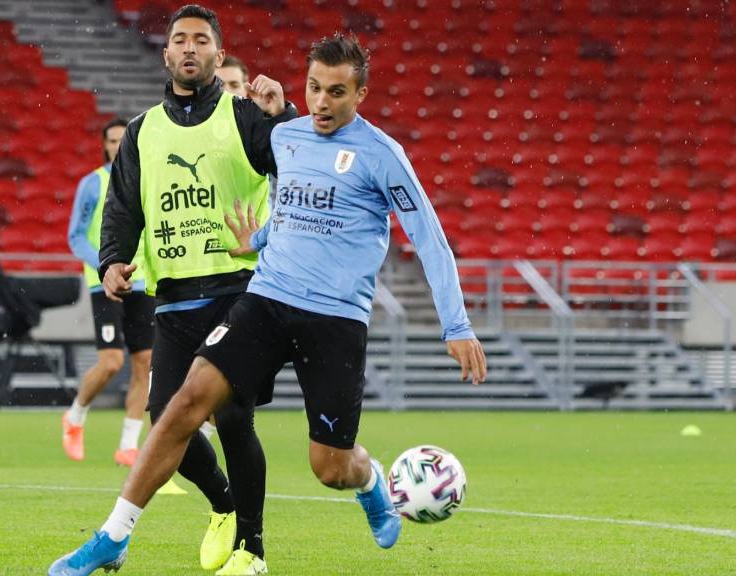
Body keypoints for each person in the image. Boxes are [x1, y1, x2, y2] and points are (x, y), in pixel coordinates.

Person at [49, 32, 486, 576]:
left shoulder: (382, 156)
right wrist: (256, 240)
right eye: (314, 88)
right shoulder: (288, 136)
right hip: (267, 299)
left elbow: (430, 240)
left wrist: (456, 325)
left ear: (361, 94)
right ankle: (114, 536)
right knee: (185, 403)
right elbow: (294, 209)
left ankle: (369, 480)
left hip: (335, 318)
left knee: (329, 466)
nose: (322, 102)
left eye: (336, 92)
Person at [49, 5, 297, 575]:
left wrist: (284, 115)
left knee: (232, 417)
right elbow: (122, 206)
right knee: (166, 419)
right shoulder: (142, 132)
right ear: (165, 54)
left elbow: (299, 164)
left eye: (201, 40)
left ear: (218, 53)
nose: (190, 47)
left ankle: (252, 550)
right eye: (180, 39)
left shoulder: (245, 116)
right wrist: (113, 260)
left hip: (238, 292)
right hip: (174, 299)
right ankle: (225, 505)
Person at [64, 117, 152, 467]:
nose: (118, 146)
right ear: (104, 145)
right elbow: (76, 236)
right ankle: (75, 415)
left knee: (144, 363)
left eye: (123, 140)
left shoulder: (148, 180)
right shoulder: (93, 184)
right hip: (105, 283)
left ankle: (128, 445)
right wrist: (105, 266)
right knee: (112, 362)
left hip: (143, 281)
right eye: (112, 141)